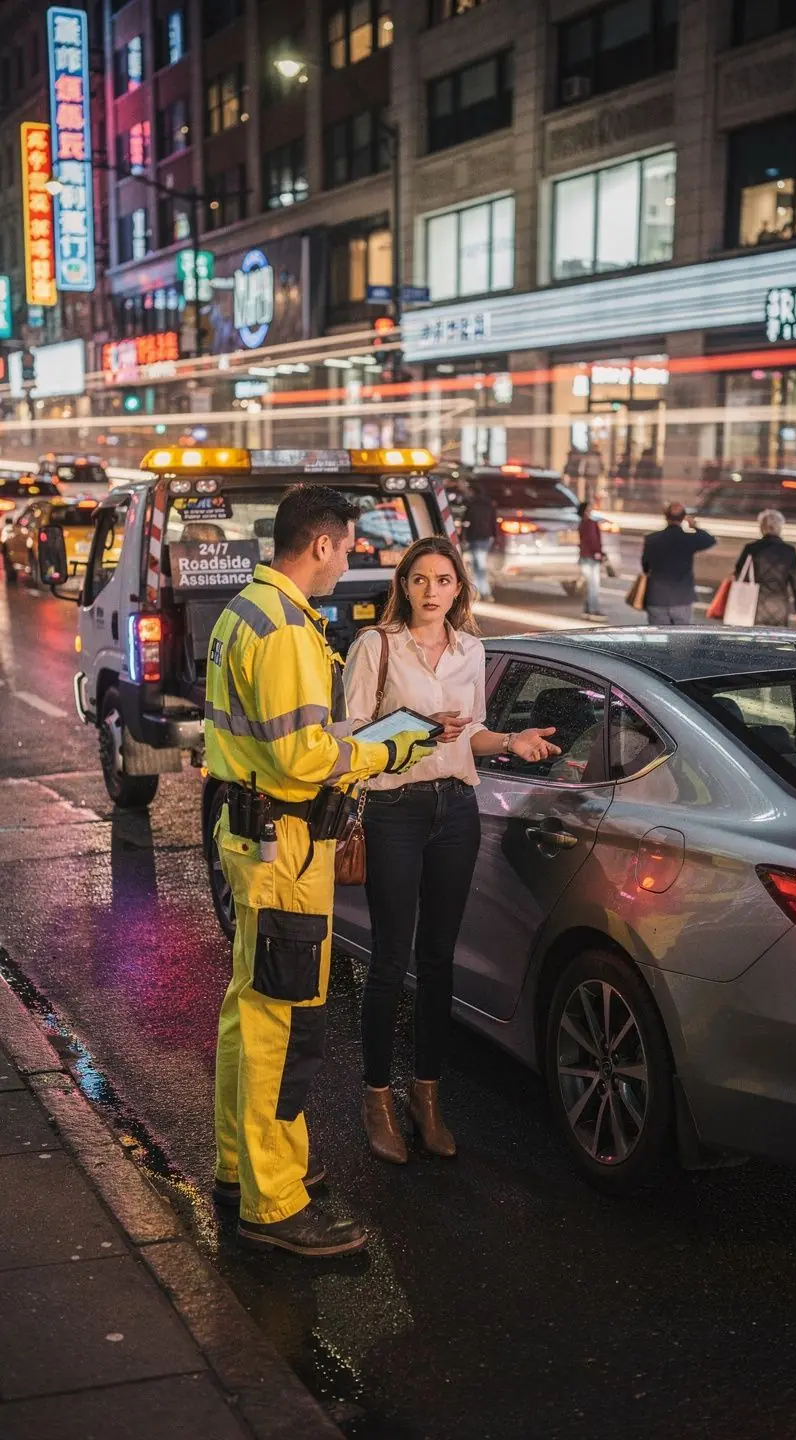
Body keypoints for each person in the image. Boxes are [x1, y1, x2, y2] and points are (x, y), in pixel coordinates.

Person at [205, 486, 435, 1257]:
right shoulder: (285, 632)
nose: (354, 559)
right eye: (350, 546)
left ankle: (243, 1168)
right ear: (324, 544)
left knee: (249, 1011)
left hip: (254, 837)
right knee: (286, 1022)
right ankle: (275, 1207)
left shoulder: (247, 611)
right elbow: (303, 758)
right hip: (288, 847)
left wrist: (354, 738)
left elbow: (289, 735)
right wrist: (388, 750)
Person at [343, 537, 560, 1165]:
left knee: (439, 960)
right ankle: (376, 1097)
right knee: (389, 959)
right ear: (403, 586)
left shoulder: (472, 650)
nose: (432, 590)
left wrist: (511, 741)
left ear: (458, 588)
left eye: (443, 580)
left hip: (455, 810)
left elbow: (473, 733)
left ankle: (427, 1096)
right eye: (419, 579)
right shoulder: (375, 646)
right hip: (394, 810)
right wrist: (414, 730)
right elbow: (352, 738)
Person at [641, 502, 717, 626]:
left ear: (665, 517)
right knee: (680, 639)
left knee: (658, 637)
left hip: (657, 596)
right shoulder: (688, 539)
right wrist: (694, 525)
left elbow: (645, 566)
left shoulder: (652, 539)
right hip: (682, 597)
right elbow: (710, 540)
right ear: (683, 518)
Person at [734, 509, 796, 626]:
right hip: (779, 605)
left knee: (754, 640)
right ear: (780, 527)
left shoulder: (751, 549)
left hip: (754, 604)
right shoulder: (789, 551)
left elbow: (739, 574)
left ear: (761, 527)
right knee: (777, 641)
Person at [462, 481, 497, 601]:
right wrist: (494, 537)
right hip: (486, 538)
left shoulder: (471, 504)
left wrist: (463, 537)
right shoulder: (489, 504)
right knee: (479, 564)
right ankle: (482, 591)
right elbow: (494, 522)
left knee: (478, 565)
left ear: (473, 491)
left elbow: (465, 523)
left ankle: (483, 592)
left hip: (475, 537)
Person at [577, 500, 607, 620]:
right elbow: (593, 540)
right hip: (592, 558)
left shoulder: (581, 523)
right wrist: (598, 553)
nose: (590, 510)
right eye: (589, 508)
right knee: (594, 586)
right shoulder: (590, 523)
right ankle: (594, 610)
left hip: (584, 557)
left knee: (591, 585)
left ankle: (587, 609)